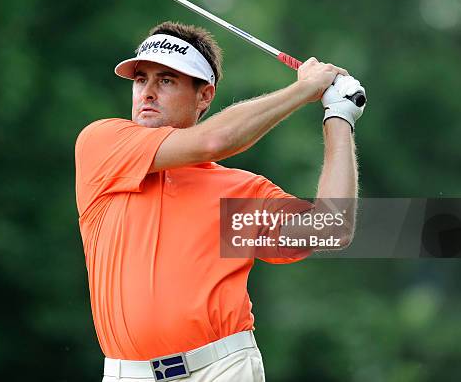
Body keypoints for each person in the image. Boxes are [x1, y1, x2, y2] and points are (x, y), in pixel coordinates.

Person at [74, 21, 366, 382]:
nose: (147, 92)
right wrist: (304, 88)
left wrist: (338, 115)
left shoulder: (236, 196)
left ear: (204, 96)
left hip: (222, 369)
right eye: (140, 79)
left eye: (166, 80)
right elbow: (216, 140)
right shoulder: (104, 147)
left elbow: (332, 227)